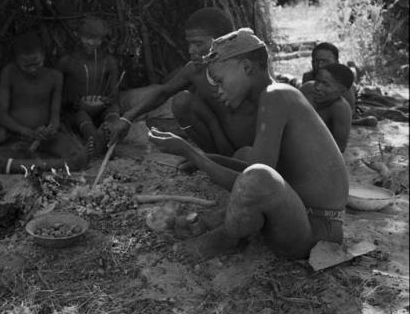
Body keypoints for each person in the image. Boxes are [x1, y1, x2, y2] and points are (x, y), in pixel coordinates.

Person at [148, 27, 348, 261]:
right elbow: (255, 170)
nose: (218, 91)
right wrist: (209, 159)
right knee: (246, 155)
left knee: (258, 177)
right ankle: (223, 224)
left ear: (246, 67)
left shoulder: (276, 97)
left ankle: (225, 239)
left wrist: (194, 155)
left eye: (220, 81)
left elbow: (256, 180)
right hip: (299, 213)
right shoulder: (275, 95)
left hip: (316, 232)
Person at [109, 8, 257, 156]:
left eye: (198, 44)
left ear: (222, 40)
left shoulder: (244, 68)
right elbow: (164, 92)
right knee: (182, 101)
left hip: (250, 144)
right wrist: (127, 118)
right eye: (190, 44)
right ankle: (215, 157)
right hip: (220, 142)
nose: (191, 50)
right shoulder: (194, 70)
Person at [0, 32, 88, 174]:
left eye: (37, 63)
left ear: (43, 55)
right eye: (25, 66)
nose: (32, 69)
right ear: (16, 60)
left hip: (44, 137)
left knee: (79, 157)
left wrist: (49, 129)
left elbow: (55, 116)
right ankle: (25, 163)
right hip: (13, 134)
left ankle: (6, 164)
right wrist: (27, 132)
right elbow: (2, 116)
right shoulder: (9, 72)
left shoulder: (55, 77)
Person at [58, 15, 121, 157]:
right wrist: (75, 103)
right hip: (78, 111)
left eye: (98, 38)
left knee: (114, 111)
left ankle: (109, 132)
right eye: (88, 38)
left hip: (102, 110)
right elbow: (57, 95)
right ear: (78, 36)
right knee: (82, 117)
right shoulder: (67, 62)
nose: (93, 43)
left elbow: (114, 94)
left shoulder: (109, 62)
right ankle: (97, 142)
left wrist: (107, 100)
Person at [300, 63, 354, 152]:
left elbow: (340, 148)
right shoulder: (307, 89)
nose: (317, 87)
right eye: (317, 81)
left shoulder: (341, 109)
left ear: (341, 91)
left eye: (326, 84)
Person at [301, 42, 356, 111]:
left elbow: (350, 112)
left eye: (325, 61)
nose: (319, 65)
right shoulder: (308, 77)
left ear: (336, 62)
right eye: (315, 61)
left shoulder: (341, 81)